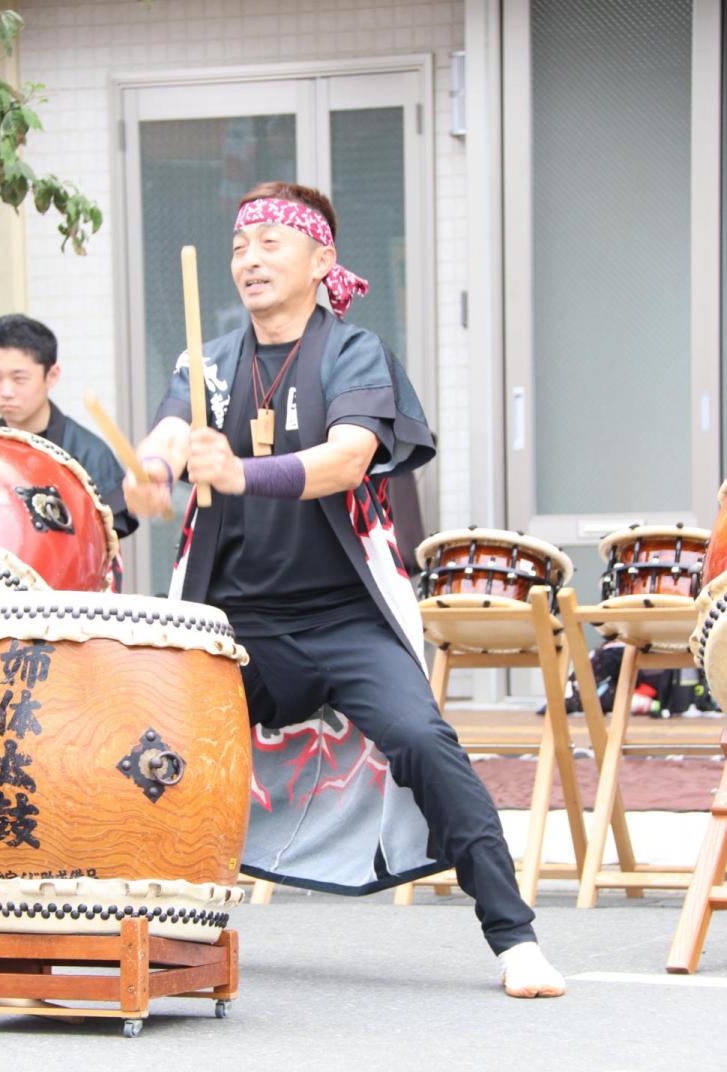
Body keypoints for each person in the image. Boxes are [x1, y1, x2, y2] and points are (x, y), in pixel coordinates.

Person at [124, 181, 564, 998]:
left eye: (269, 244)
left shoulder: (351, 353)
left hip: (344, 618)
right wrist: (148, 476)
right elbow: (168, 438)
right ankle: (150, 926)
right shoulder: (209, 362)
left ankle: (514, 937)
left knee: (425, 742)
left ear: (320, 259)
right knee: (153, 751)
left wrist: (241, 473)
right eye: (237, 246)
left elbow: (349, 458)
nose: (247, 260)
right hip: (236, 624)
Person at [0, 314, 138, 547]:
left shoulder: (89, 453)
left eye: (19, 379)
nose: (5, 391)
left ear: (52, 375)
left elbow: (110, 533)